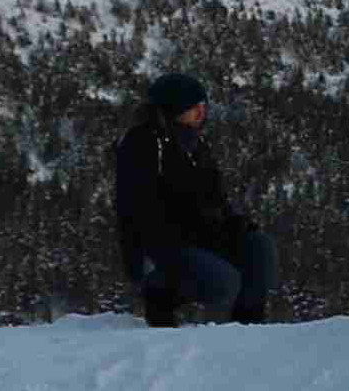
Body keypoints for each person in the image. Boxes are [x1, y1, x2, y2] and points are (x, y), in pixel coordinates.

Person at [113, 72, 278, 328]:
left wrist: (232, 224)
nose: (202, 114)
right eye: (194, 108)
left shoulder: (194, 143)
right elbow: (137, 211)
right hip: (163, 246)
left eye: (203, 107)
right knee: (224, 282)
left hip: (201, 236)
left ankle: (249, 329)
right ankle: (160, 294)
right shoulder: (143, 144)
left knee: (259, 248)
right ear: (174, 109)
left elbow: (214, 196)